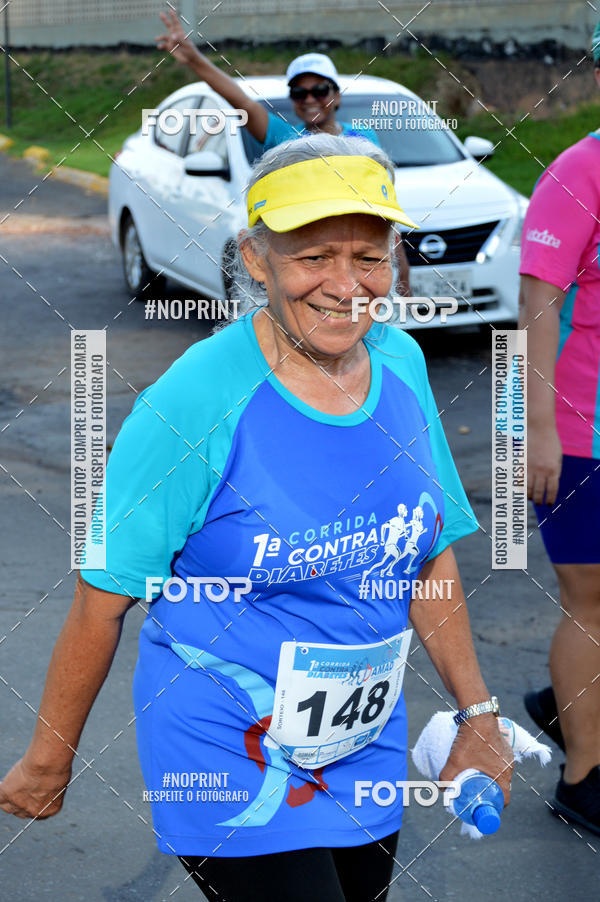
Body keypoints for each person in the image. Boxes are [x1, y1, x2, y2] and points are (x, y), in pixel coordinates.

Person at [0, 134, 512, 902]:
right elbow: (101, 598)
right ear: (256, 257)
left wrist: (478, 712)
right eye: (313, 257)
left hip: (364, 745)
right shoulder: (196, 397)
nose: (347, 285)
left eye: (370, 256)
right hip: (226, 748)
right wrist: (49, 757)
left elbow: (428, 548)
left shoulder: (400, 361)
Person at [155, 8, 411, 293]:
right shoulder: (286, 140)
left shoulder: (362, 138)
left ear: (336, 96)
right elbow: (239, 99)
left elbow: (382, 208)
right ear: (292, 99)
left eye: (320, 90)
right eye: (299, 93)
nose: (310, 98)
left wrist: (402, 270)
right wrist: (193, 57)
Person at [519, 20, 600, 837]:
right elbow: (537, 302)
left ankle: (562, 702)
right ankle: (583, 779)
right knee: (592, 602)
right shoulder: (580, 170)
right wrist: (538, 431)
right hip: (582, 431)